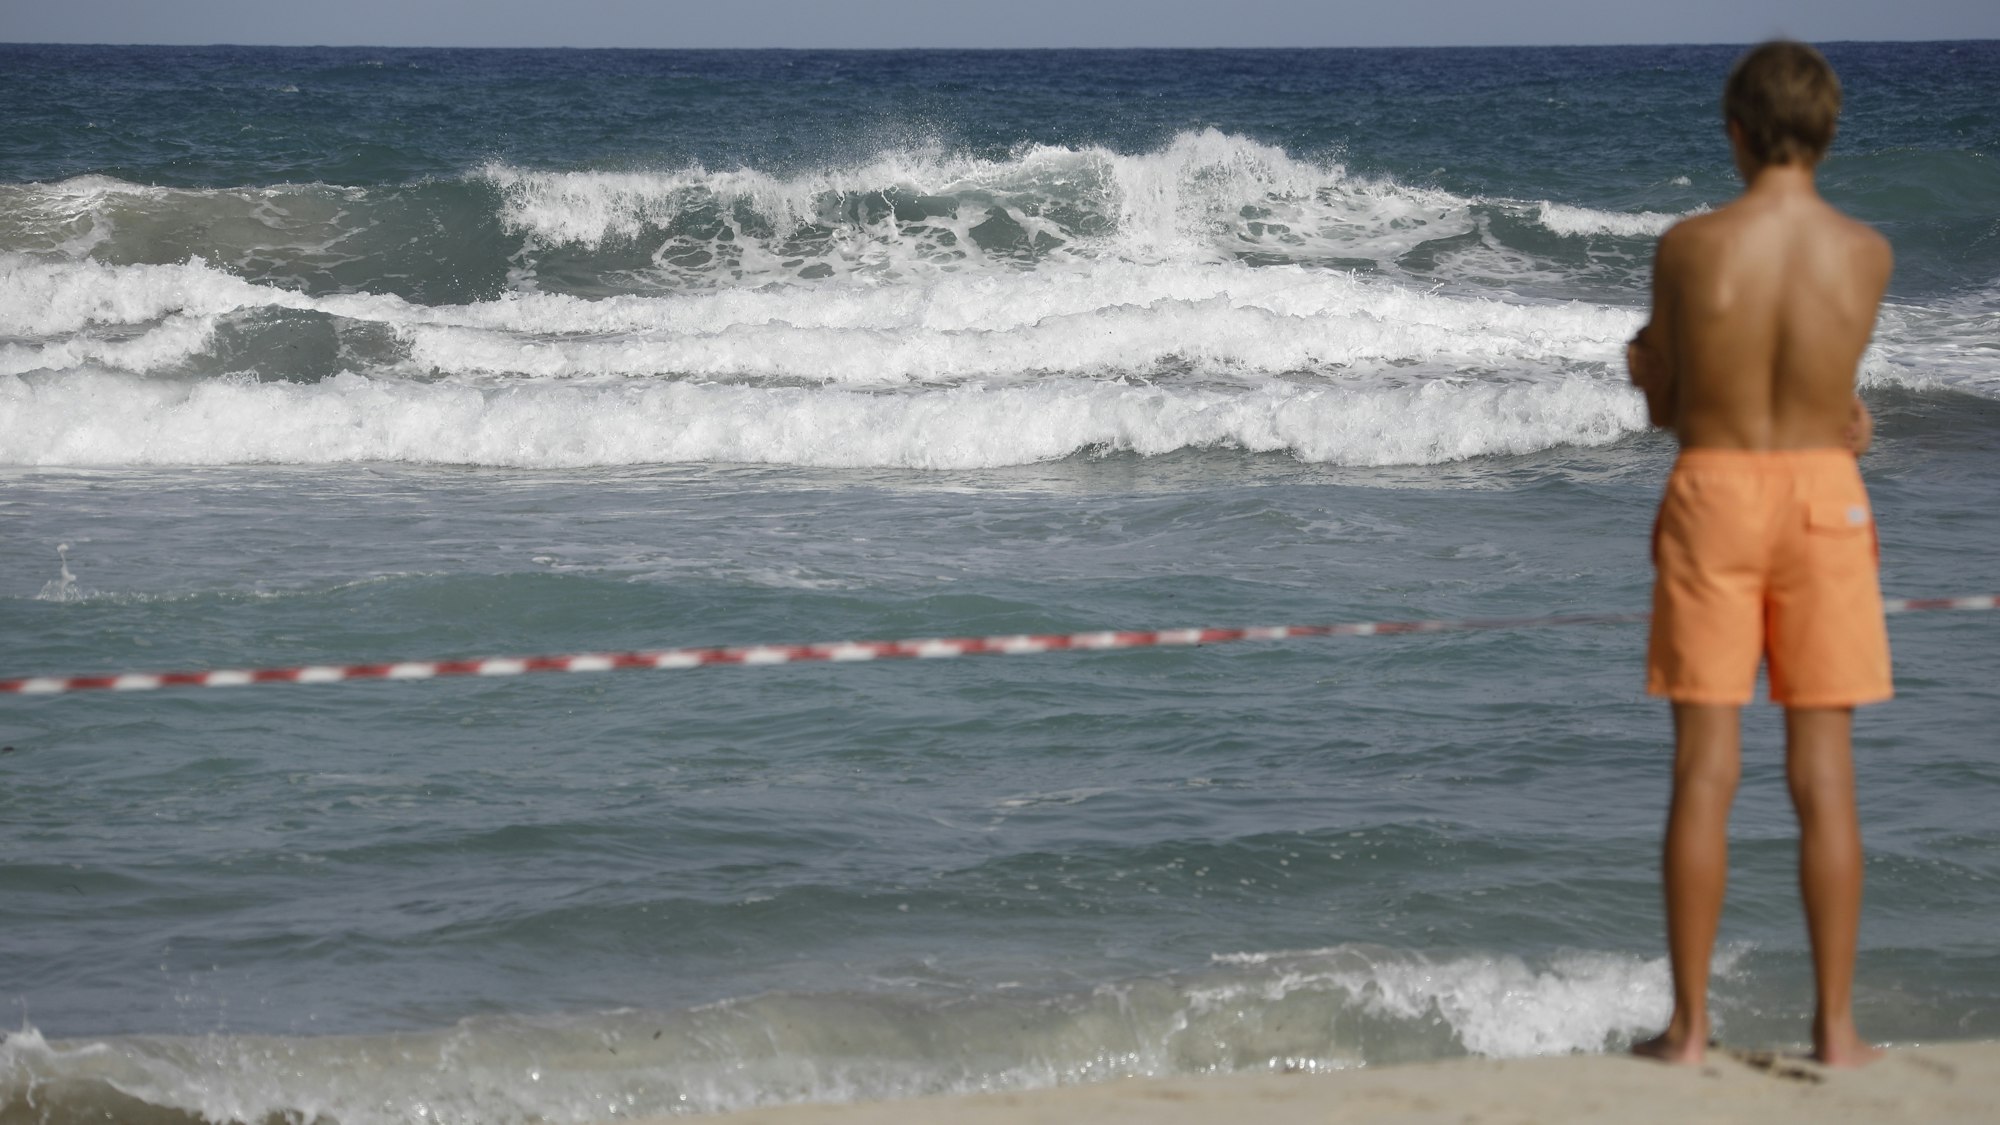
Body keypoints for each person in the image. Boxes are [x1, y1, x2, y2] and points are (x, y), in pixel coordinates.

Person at [1625, 40, 1893, 1068]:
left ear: (1734, 133)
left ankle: (1689, 1032)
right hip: (1824, 498)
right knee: (1823, 774)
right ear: (1824, 135)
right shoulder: (1864, 253)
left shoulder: (1688, 247)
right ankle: (1834, 1029)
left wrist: (1639, 370)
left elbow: (1667, 407)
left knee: (1703, 771)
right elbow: (1836, 408)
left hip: (1716, 491)